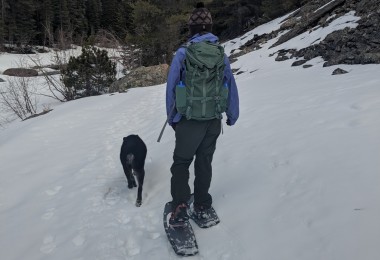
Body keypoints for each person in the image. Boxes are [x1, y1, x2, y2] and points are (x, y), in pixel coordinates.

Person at [166, 2, 239, 227]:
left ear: (191, 29)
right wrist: (232, 113)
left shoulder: (183, 53)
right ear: (209, 27)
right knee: (204, 161)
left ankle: (179, 207)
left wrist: (173, 118)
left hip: (189, 119)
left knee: (181, 162)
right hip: (213, 120)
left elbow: (171, 87)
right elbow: (230, 83)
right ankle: (202, 204)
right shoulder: (220, 54)